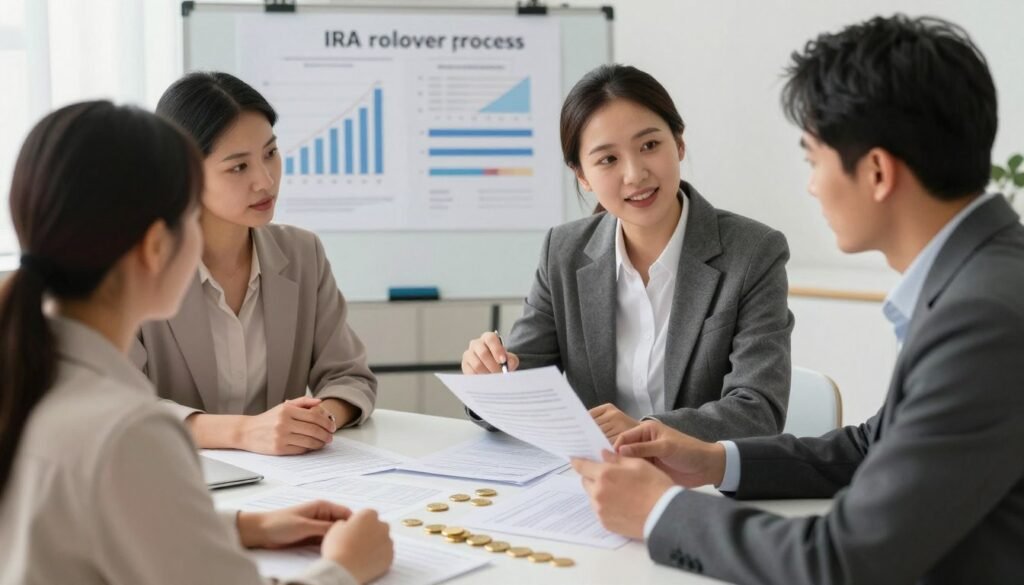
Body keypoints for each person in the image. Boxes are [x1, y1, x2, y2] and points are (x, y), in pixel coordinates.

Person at [572, 14, 1024, 584]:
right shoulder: (985, 276)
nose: (811, 185)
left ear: (878, 171)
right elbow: (874, 445)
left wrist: (660, 512)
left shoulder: (984, 318)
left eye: (814, 159)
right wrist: (713, 460)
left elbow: (841, 560)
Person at [0, 101, 393, 584]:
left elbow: (90, 523)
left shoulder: (30, 378)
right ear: (156, 246)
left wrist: (246, 526)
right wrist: (347, 568)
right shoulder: (129, 429)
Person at [462, 64, 793, 441]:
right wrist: (489, 381)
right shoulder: (564, 252)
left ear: (679, 143)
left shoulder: (752, 253)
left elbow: (758, 410)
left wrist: (645, 432)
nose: (635, 174)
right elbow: (525, 380)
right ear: (582, 176)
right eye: (608, 159)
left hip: (699, 485)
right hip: (594, 482)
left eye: (650, 146)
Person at [131, 72, 377, 455]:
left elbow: (349, 376)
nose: (266, 181)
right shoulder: (132, 268)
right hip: (172, 479)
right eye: (238, 167)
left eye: (270, 153)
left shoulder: (302, 253)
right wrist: (245, 433)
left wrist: (318, 420)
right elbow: (121, 408)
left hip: (288, 485)